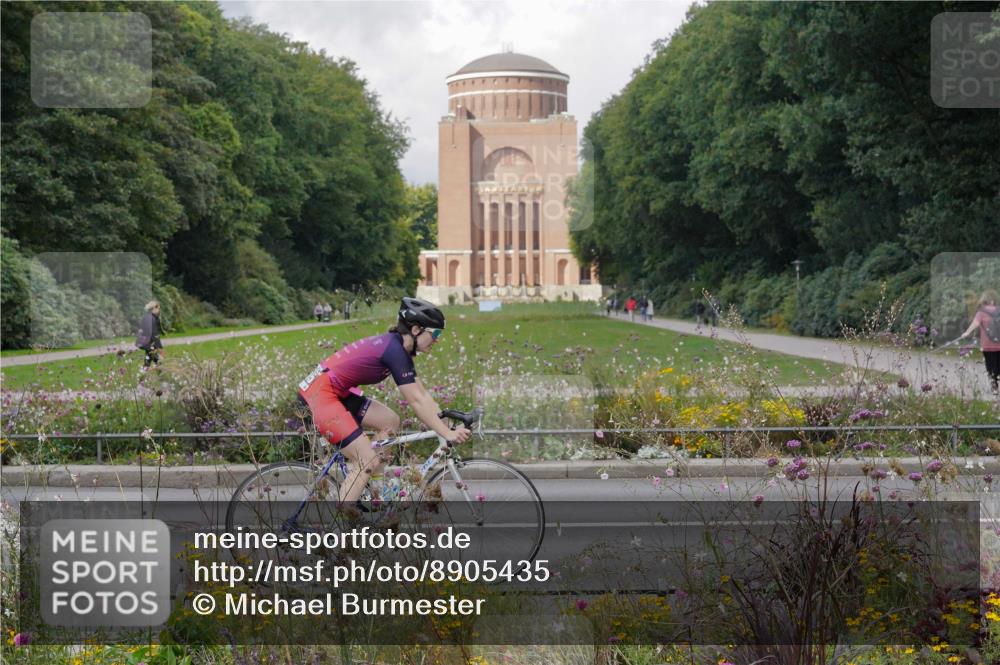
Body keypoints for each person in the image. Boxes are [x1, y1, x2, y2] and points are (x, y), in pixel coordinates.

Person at [297, 297, 471, 504]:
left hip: (335, 391)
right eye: (435, 333)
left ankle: (375, 488)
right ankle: (343, 522)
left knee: (389, 421)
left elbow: (423, 395)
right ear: (416, 330)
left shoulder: (399, 348)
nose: (437, 339)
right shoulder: (394, 351)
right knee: (366, 460)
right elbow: (415, 401)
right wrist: (446, 433)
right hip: (319, 396)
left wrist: (446, 424)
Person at [958, 289, 1000, 393]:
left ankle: (994, 386)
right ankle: (996, 377)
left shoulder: (981, 312)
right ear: (993, 301)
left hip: (987, 345)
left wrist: (967, 332)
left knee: (990, 366)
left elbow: (975, 324)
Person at [135, 300, 163, 368]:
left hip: (148, 343)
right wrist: (158, 346)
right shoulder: (152, 318)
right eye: (158, 308)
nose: (159, 310)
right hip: (149, 343)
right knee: (157, 360)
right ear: (154, 308)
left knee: (149, 359)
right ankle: (160, 373)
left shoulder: (148, 317)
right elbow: (154, 333)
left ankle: (145, 372)